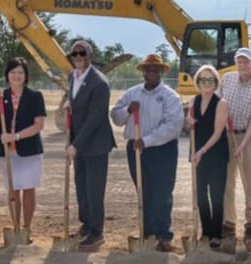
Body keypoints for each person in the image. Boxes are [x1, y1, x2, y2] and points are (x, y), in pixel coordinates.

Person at [111, 53, 185, 251]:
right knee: (143, 191)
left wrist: (147, 140)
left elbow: (173, 126)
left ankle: (163, 235)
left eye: (155, 69)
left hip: (162, 150)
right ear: (142, 72)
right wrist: (128, 110)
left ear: (161, 72)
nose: (151, 73)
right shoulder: (132, 94)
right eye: (147, 69)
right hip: (136, 149)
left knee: (162, 192)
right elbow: (116, 117)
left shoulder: (170, 96)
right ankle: (147, 231)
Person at [65, 40, 116, 251]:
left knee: (94, 189)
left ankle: (96, 232)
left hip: (95, 143)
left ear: (90, 55)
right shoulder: (72, 77)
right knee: (81, 186)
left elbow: (95, 118)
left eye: (82, 53)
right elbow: (78, 105)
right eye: (75, 54)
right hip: (79, 143)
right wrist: (71, 104)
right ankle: (86, 225)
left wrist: (75, 145)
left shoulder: (99, 83)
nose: (78, 57)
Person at [0, 58, 46, 233]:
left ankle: (26, 227)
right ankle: (15, 227)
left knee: (28, 188)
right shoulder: (1, 97)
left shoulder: (35, 96)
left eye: (20, 72)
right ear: (7, 75)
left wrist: (16, 136)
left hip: (29, 151)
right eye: (13, 72)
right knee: (12, 189)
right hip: (6, 151)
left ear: (26, 76)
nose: (16, 76)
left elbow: (39, 125)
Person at [217, 48, 251, 239]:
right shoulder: (227, 80)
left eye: (246, 61)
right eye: (239, 61)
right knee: (227, 180)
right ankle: (228, 222)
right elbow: (218, 103)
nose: (243, 65)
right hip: (228, 133)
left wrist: (242, 145)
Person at [188, 65, 230, 249]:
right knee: (200, 196)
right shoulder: (193, 101)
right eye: (203, 80)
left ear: (215, 83)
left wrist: (202, 151)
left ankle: (215, 234)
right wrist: (187, 123)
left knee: (216, 194)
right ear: (198, 82)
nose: (207, 83)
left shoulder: (221, 103)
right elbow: (191, 127)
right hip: (197, 153)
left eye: (210, 80)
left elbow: (218, 132)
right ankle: (205, 230)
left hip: (216, 154)